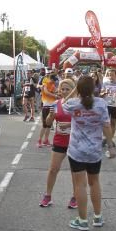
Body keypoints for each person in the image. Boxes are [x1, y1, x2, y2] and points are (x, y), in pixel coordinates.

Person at [64, 75, 115, 230]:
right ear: (94, 89)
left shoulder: (73, 104)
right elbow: (106, 126)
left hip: (76, 150)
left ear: (78, 89)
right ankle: (98, 217)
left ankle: (82, 220)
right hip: (94, 151)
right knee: (95, 183)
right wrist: (111, 146)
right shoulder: (101, 104)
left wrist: (74, 90)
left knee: (79, 185)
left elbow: (62, 103)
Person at [40, 78, 77, 209]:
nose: (65, 91)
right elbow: (49, 123)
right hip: (59, 140)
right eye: (62, 89)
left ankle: (75, 197)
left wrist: (71, 124)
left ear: (73, 90)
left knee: (75, 172)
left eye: (68, 89)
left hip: (75, 142)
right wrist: (50, 115)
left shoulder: (78, 104)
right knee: (53, 169)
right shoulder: (56, 103)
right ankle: (47, 196)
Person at [101, 69, 116, 151]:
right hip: (106, 105)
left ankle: (110, 139)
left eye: (112, 75)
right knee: (106, 123)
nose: (111, 76)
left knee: (113, 123)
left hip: (115, 105)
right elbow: (101, 94)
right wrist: (104, 93)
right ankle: (105, 138)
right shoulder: (105, 83)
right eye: (109, 75)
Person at [38, 70, 59, 148]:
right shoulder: (45, 84)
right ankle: (39, 140)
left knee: (49, 125)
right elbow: (46, 92)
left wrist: (58, 94)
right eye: (53, 80)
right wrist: (55, 96)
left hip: (53, 106)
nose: (54, 82)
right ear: (51, 79)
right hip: (46, 106)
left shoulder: (53, 85)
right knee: (44, 125)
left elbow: (56, 91)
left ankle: (46, 140)